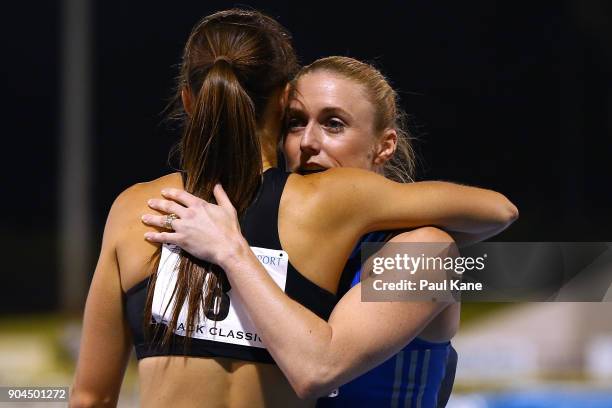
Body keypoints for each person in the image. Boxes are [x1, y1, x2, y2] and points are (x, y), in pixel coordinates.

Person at [71, 9, 517, 408]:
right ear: (282, 105)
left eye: (334, 124)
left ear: (385, 147)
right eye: (298, 123)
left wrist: (232, 252)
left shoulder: (420, 246)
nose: (308, 142)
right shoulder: (315, 215)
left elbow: (317, 368)